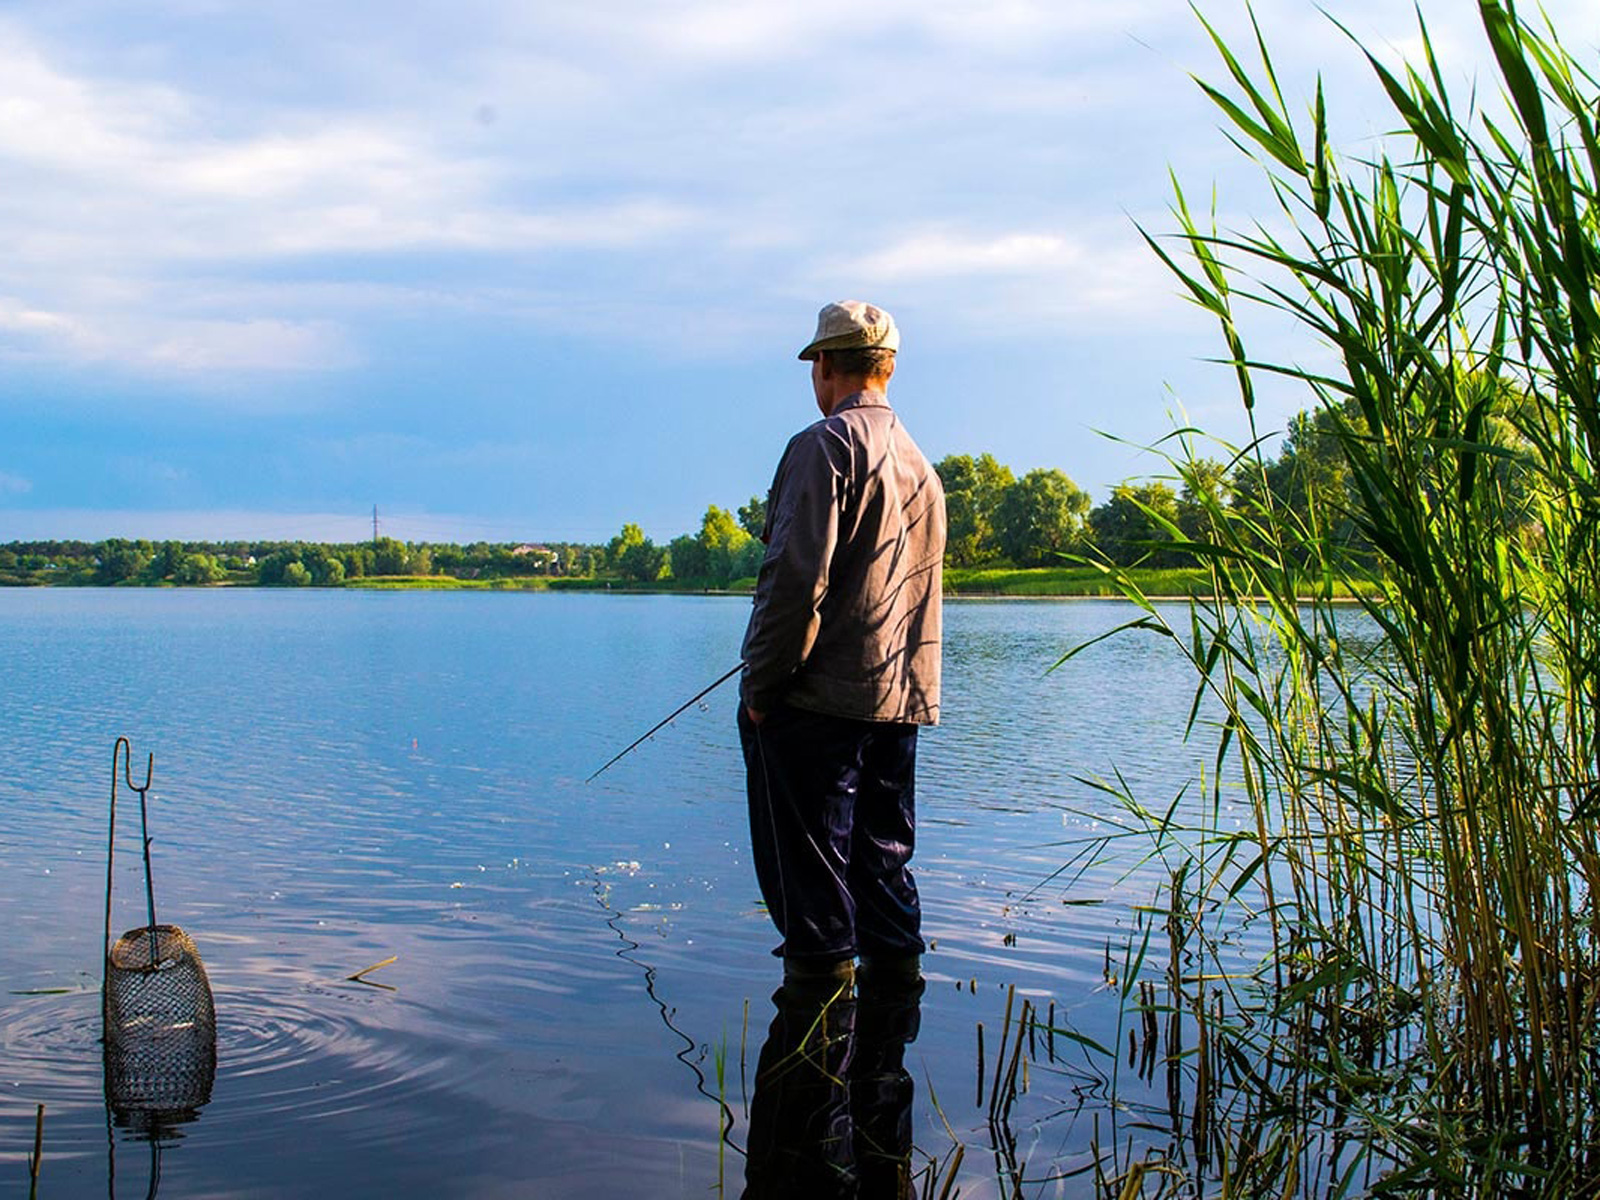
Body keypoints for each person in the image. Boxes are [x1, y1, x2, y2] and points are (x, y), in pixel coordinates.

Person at [738, 300, 945, 990]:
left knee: (816, 888)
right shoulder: (923, 467)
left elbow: (795, 581)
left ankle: (815, 1042)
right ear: (887, 368)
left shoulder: (825, 445)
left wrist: (761, 691)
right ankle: (888, 1052)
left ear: (822, 364)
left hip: (819, 705)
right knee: (883, 868)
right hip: (901, 703)